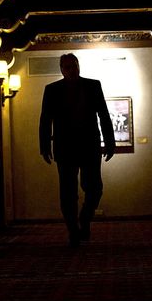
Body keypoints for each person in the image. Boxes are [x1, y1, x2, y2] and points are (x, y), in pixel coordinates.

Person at [38, 53, 115, 245]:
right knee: (67, 191)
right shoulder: (52, 90)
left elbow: (104, 115)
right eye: (68, 67)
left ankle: (84, 218)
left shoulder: (93, 85)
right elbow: (45, 119)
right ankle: (73, 229)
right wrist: (45, 146)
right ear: (62, 70)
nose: (72, 70)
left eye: (74, 66)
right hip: (65, 147)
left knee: (95, 188)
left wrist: (110, 142)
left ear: (79, 66)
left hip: (89, 144)